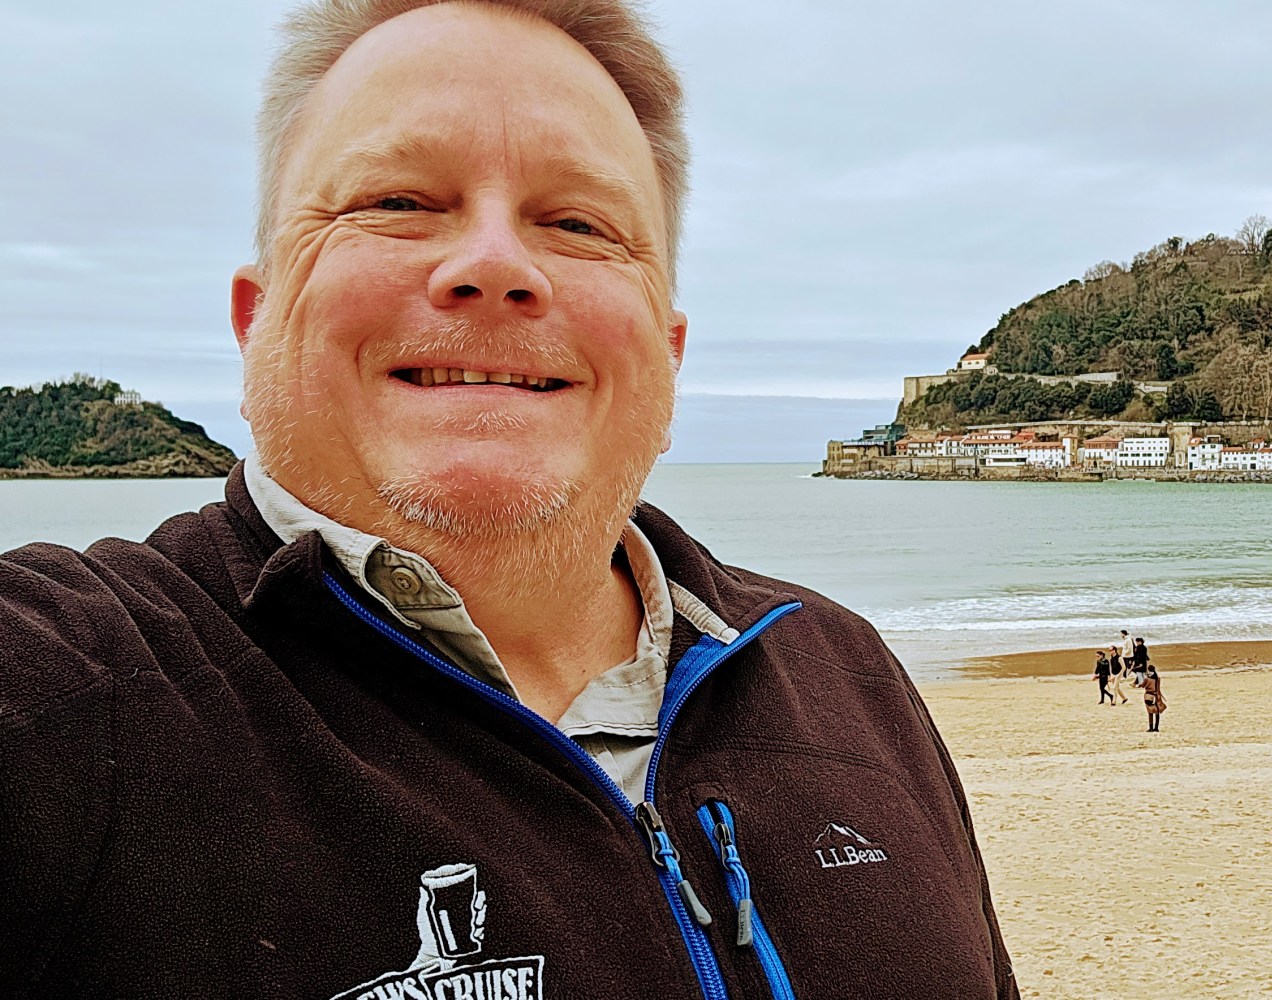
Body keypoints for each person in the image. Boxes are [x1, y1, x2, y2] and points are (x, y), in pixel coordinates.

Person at [0, 4, 1017, 997]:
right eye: (396, 202)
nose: (493, 265)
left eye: (576, 222)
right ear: (256, 321)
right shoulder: (73, 694)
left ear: (665, 357)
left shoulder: (843, 674)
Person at [1141, 665, 1166, 732]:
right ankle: (1156, 727)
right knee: (1157, 712)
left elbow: (1142, 685)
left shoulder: (1147, 679)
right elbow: (1158, 688)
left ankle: (1151, 727)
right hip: (1156, 695)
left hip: (1148, 695)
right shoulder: (1157, 678)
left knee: (1150, 712)